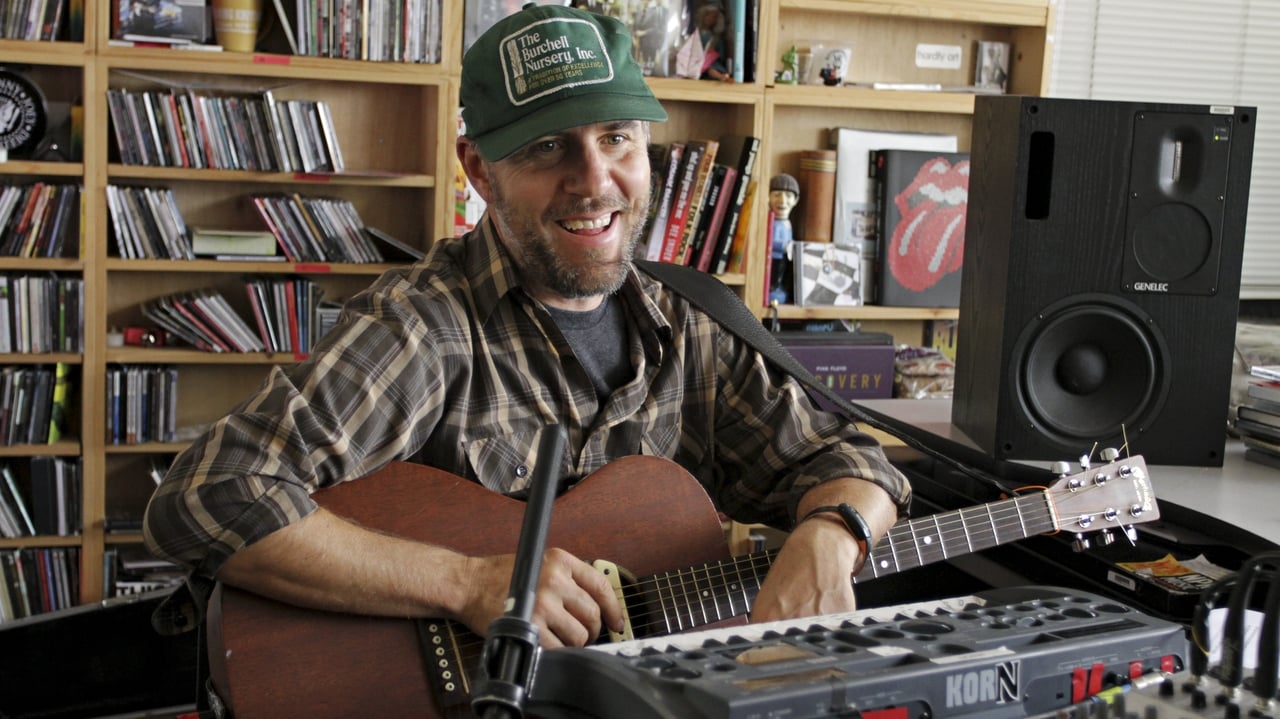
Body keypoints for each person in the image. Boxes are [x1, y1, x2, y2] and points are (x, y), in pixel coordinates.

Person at [144, 3, 910, 652]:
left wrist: (832, 533)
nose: (594, 180)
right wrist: (466, 581)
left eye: (617, 137)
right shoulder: (427, 326)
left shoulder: (691, 325)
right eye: (548, 147)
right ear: (479, 170)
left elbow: (847, 458)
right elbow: (209, 496)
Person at [768, 173, 799, 305]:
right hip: (775, 257)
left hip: (786, 257)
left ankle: (779, 288)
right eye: (777, 195)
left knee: (784, 275)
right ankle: (772, 288)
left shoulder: (787, 223)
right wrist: (784, 246)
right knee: (774, 276)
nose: (782, 200)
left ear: (796, 200)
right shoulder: (773, 224)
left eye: (788, 196)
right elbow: (770, 241)